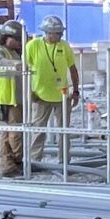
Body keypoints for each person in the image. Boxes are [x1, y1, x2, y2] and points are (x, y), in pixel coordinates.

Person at [25, 14, 80, 164]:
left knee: (64, 130)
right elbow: (23, 70)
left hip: (62, 95)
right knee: (38, 130)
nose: (53, 36)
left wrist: (75, 91)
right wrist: (28, 91)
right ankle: (34, 160)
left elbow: (73, 69)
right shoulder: (33, 46)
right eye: (50, 33)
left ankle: (64, 161)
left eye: (56, 33)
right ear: (45, 32)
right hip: (40, 95)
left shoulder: (64, 46)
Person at [0, 19, 27, 172]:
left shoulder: (14, 52)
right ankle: (15, 161)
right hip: (6, 98)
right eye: (16, 39)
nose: (19, 42)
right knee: (13, 132)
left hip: (14, 96)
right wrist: (16, 65)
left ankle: (8, 165)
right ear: (6, 37)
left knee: (7, 132)